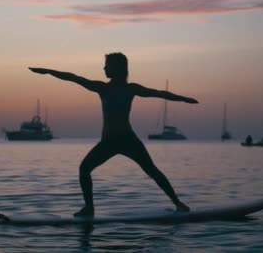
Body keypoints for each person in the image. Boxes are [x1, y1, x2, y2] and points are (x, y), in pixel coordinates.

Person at [29, 52, 197, 217]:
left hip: (127, 140)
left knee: (152, 170)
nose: (104, 68)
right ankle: (89, 208)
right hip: (108, 142)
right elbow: (73, 77)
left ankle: (178, 203)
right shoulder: (102, 87)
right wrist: (48, 71)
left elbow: (160, 93)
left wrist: (184, 99)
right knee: (84, 169)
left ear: (117, 68)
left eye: (107, 65)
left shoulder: (130, 89)